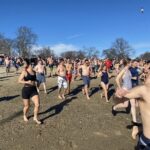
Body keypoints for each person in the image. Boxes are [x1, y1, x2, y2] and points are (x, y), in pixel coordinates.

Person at [121, 74, 150, 150]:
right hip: (130, 89)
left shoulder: (134, 70)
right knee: (131, 106)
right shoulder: (125, 71)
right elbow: (118, 79)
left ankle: (137, 127)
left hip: (134, 88)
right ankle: (136, 125)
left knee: (135, 106)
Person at [112, 59, 137, 124]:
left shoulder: (129, 70)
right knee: (127, 105)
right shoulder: (124, 70)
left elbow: (128, 78)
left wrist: (133, 78)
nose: (131, 64)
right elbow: (117, 79)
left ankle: (134, 121)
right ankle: (115, 107)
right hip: (125, 89)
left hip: (131, 89)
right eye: (131, 62)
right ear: (128, 63)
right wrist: (120, 88)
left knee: (130, 105)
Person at [18, 59, 41, 124]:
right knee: (27, 106)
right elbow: (19, 80)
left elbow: (34, 79)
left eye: (34, 64)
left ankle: (35, 118)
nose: (33, 65)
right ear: (30, 64)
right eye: (32, 64)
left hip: (33, 90)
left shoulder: (34, 71)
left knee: (37, 104)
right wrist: (26, 81)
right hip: (26, 90)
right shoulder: (25, 72)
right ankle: (24, 115)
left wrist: (37, 82)